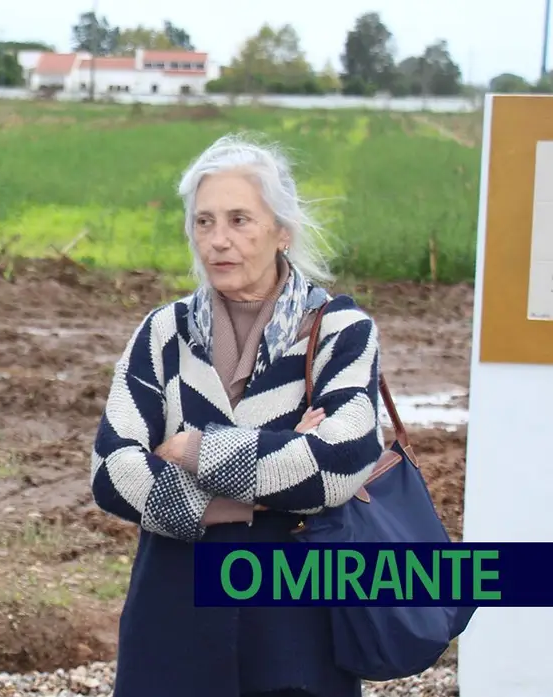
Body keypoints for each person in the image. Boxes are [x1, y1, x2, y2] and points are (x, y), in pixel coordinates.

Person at [90, 133, 386, 697]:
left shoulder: (340, 331)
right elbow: (110, 472)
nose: (217, 241)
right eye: (204, 222)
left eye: (239, 220)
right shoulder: (163, 332)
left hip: (295, 614)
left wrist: (193, 451)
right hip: (173, 606)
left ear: (282, 231)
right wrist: (269, 469)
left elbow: (340, 464)